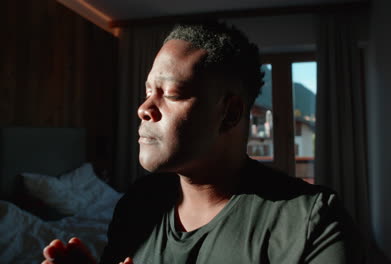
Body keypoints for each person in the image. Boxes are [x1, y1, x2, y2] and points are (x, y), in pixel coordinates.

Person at [42, 21, 365, 264]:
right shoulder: (136, 206)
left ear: (230, 112)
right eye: (146, 92)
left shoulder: (311, 223)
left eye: (171, 94)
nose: (143, 108)